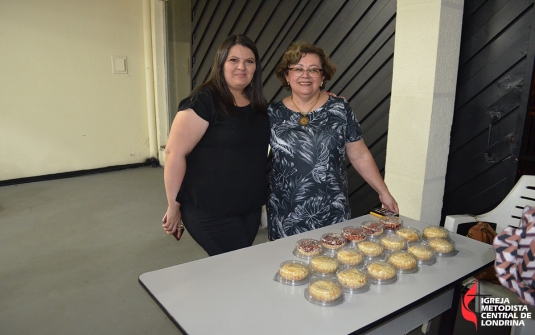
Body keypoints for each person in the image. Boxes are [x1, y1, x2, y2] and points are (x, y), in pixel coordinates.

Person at [267, 41, 398, 240]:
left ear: (323, 76)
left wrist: (383, 192)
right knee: (289, 267)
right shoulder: (271, 113)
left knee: (334, 265)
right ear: (287, 75)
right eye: (298, 69)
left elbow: (359, 154)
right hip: (286, 213)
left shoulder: (339, 108)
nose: (305, 75)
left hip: (331, 211)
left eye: (314, 69)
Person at [162, 34, 270, 256]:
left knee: (230, 268)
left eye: (249, 61)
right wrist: (174, 205)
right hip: (208, 209)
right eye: (233, 60)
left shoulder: (257, 104)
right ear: (220, 63)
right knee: (237, 266)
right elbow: (174, 153)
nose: (242, 67)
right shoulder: (204, 100)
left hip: (247, 208)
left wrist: (323, 99)